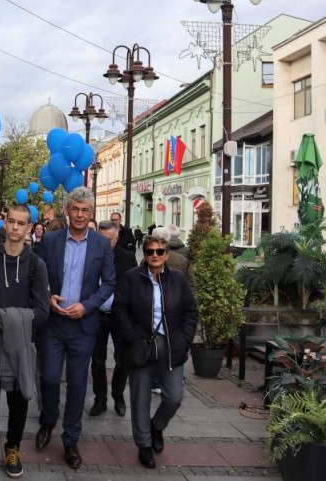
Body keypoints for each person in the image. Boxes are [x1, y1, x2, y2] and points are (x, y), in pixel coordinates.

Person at [35, 187, 115, 470]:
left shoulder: (101, 245)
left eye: (85, 210)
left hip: (83, 325)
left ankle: (70, 439)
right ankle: (47, 420)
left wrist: (88, 305)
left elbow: (109, 284)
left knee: (78, 385)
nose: (80, 215)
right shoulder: (52, 241)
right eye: (75, 209)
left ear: (91, 214)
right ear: (66, 211)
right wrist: (47, 296)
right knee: (49, 377)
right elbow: (38, 275)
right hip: (53, 324)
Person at [0, 205, 50, 481]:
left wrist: (6, 320)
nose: (15, 228)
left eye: (21, 223)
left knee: (18, 405)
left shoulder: (36, 266)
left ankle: (12, 448)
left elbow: (42, 311)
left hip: (19, 347)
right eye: (11, 222)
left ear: (29, 228)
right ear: (5, 225)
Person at [112, 235, 198, 469]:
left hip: (172, 346)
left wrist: (185, 339)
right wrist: (132, 336)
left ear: (167, 254)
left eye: (160, 252)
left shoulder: (177, 279)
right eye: (150, 251)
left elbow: (191, 312)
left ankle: (156, 426)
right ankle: (144, 444)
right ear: (145, 254)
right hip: (141, 346)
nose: (154, 256)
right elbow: (119, 308)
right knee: (140, 397)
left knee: (173, 397)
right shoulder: (132, 278)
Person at [89, 221, 137, 417]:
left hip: (119, 315)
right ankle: (100, 398)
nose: (105, 243)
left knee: (123, 358)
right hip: (96, 315)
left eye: (109, 239)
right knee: (97, 359)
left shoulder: (127, 258)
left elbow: (134, 286)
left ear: (116, 238)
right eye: (101, 239)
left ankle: (118, 395)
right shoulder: (90, 256)